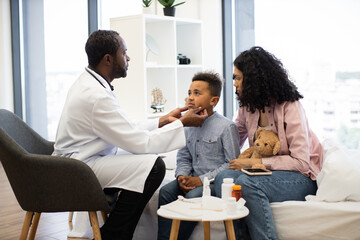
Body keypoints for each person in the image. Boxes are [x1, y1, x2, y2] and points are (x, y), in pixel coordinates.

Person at [52, 29, 208, 240]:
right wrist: (182, 123)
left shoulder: (89, 83)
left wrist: (161, 121)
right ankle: (114, 235)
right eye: (124, 52)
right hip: (79, 169)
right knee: (153, 166)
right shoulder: (95, 95)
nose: (128, 58)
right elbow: (140, 143)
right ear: (108, 59)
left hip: (82, 161)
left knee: (143, 162)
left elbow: (124, 126)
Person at [214, 46, 323, 240]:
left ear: (254, 79)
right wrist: (207, 121)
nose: (234, 84)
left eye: (238, 78)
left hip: (302, 177)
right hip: (266, 174)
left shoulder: (290, 106)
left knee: (247, 183)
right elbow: (231, 139)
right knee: (225, 179)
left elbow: (302, 163)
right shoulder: (248, 106)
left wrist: (255, 164)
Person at [158, 72, 241, 240]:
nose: (190, 98)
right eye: (189, 93)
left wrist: (201, 180)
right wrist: (181, 175)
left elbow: (231, 164)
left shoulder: (226, 127)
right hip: (192, 179)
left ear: (213, 101)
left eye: (197, 93)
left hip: (211, 184)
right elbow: (183, 155)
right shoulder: (187, 123)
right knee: (165, 192)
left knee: (191, 198)